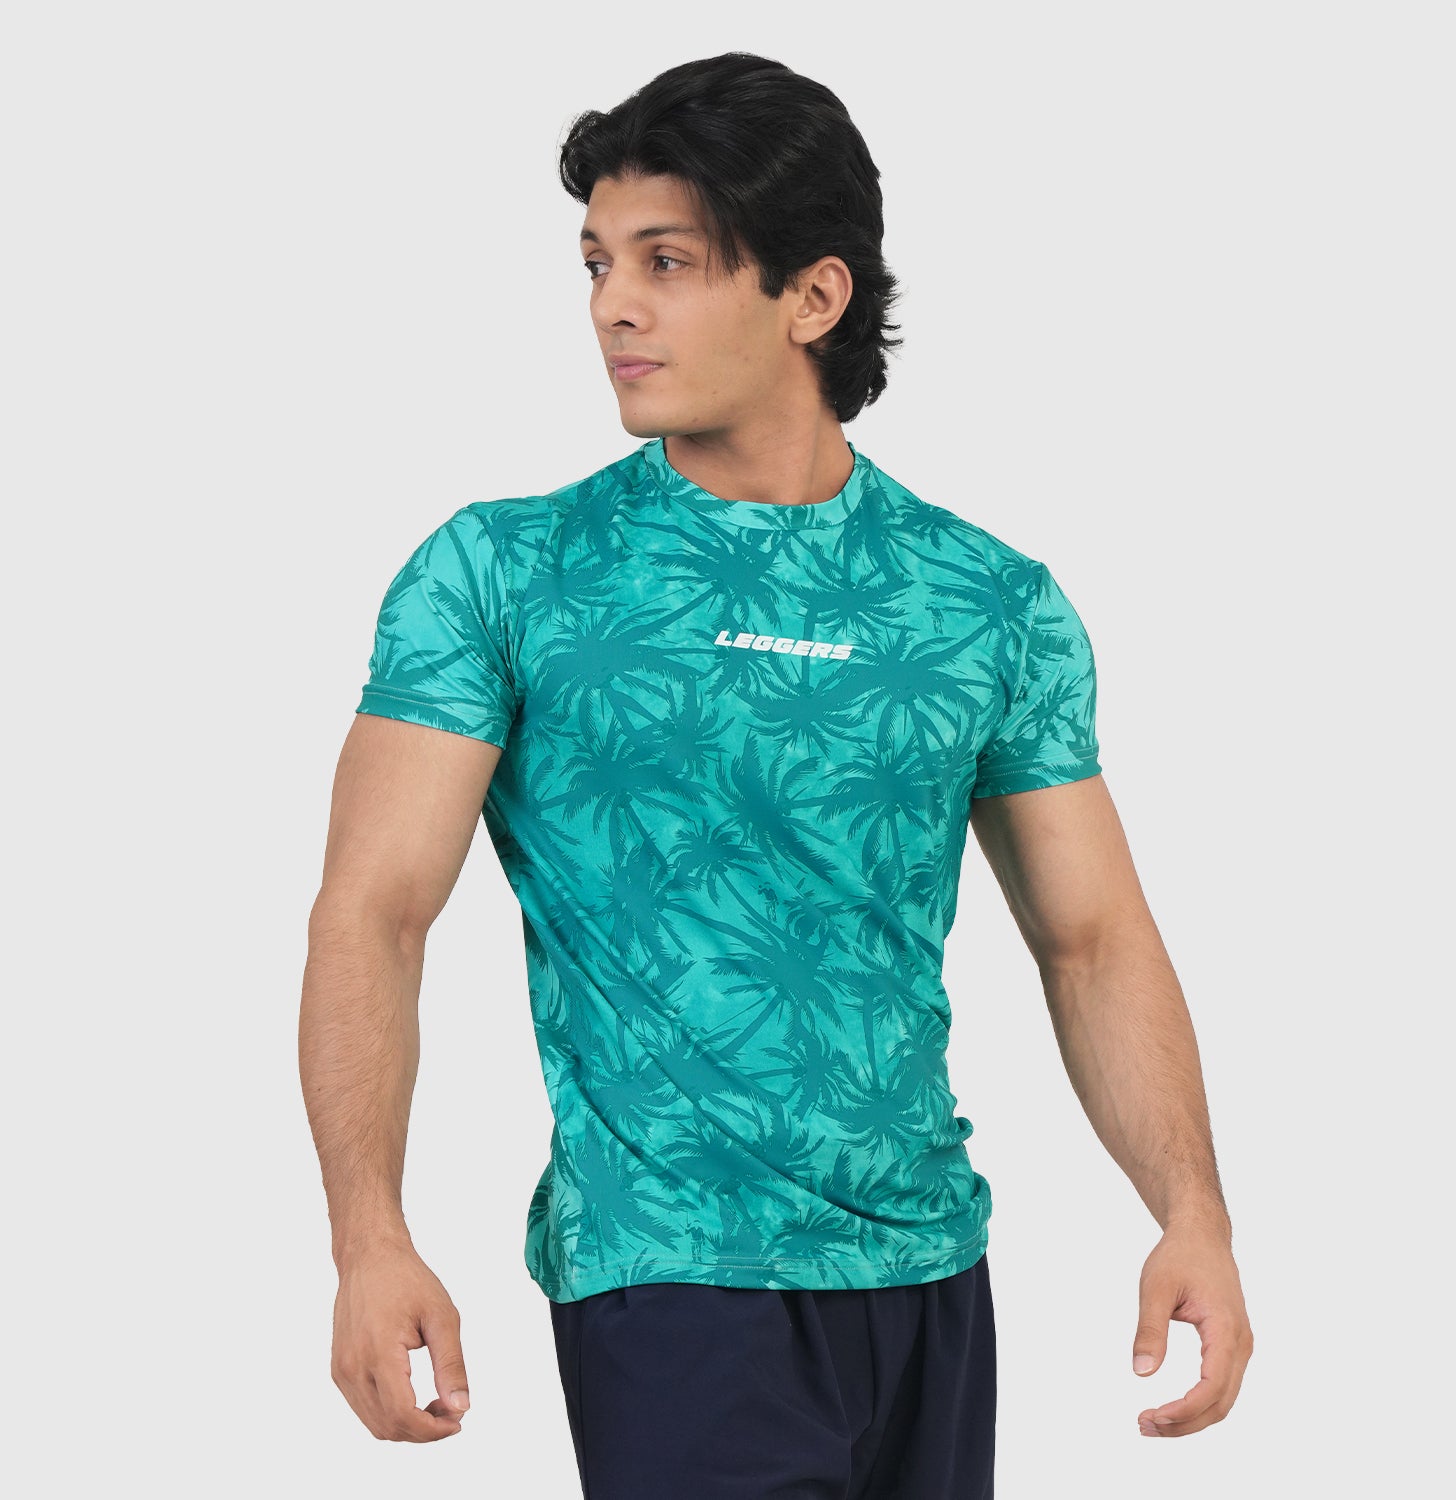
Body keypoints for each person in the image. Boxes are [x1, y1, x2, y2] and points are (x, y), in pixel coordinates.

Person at [299, 50, 1253, 1496]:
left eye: (667, 262)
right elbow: (372, 912)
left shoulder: (986, 601)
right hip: (670, 1271)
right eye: (599, 262)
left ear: (813, 296)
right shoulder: (503, 572)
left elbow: (1093, 935)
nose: (613, 305)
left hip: (931, 1268)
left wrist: (1194, 1214)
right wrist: (369, 1240)